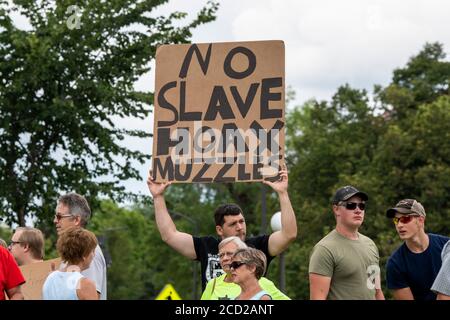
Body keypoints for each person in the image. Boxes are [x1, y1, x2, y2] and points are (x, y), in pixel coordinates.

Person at [147, 167, 297, 290]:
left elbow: (289, 234)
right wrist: (158, 197)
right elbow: (169, 235)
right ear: (220, 230)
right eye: (233, 224)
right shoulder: (206, 246)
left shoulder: (259, 247)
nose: (240, 227)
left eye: (241, 221)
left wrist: (282, 193)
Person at [309, 185, 384, 300]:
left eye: (362, 206)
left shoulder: (370, 244)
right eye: (351, 205)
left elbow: (377, 290)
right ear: (336, 209)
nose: (358, 210)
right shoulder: (324, 249)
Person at [385, 199, 449, 300]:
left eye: (405, 219)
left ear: (421, 220)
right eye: (396, 220)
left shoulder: (446, 246)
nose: (399, 225)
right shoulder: (395, 264)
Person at [201, 236, 290, 300]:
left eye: (230, 254)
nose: (224, 258)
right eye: (221, 255)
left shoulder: (263, 283)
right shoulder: (213, 284)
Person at [54, 192, 107, 299]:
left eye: (59, 216)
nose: (55, 221)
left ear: (76, 220)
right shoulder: (73, 251)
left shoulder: (89, 251)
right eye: (55, 216)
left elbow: (92, 296)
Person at [43, 227, 98, 300]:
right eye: (92, 251)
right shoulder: (86, 284)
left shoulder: (50, 278)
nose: (94, 255)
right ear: (84, 255)